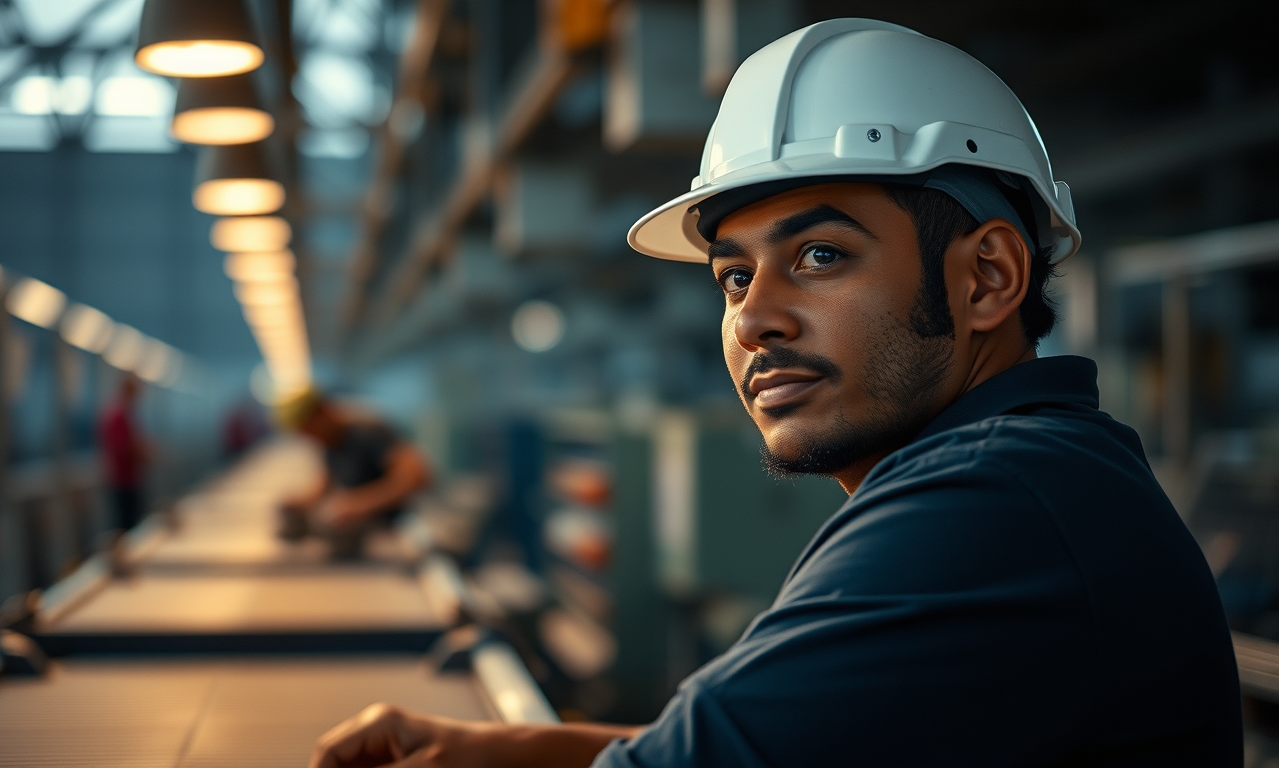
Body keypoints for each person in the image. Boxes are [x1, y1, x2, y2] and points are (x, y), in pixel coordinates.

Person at [309, 19, 1241, 768]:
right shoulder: (1039, 475)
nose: (756, 320)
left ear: (988, 279)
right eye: (732, 278)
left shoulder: (992, 503)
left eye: (820, 256)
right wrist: (505, 750)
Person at [275, 388, 432, 557]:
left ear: (324, 411)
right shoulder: (331, 444)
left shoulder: (367, 432)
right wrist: (301, 503)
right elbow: (326, 483)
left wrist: (362, 504)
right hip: (373, 533)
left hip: (403, 530)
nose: (310, 438)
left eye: (310, 429)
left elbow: (417, 476)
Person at [99, 373, 147, 531]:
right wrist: (145, 452)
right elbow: (122, 448)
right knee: (128, 525)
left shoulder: (122, 413)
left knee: (131, 523)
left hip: (128, 478)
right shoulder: (118, 414)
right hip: (123, 479)